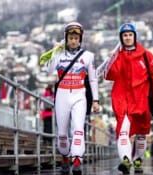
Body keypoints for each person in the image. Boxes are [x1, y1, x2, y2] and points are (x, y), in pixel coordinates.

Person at [104, 23, 153, 174]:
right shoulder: (117, 55)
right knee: (123, 131)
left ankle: (138, 160)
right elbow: (109, 75)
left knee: (141, 132)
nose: (127, 38)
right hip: (122, 100)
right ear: (121, 38)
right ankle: (126, 161)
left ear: (134, 36)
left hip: (141, 100)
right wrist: (111, 59)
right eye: (124, 35)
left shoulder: (146, 55)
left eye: (130, 35)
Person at [40, 22, 100, 175]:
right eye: (71, 38)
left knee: (78, 129)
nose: (73, 41)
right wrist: (55, 51)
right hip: (62, 95)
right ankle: (65, 158)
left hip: (79, 94)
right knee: (62, 133)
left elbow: (93, 79)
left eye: (76, 38)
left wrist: (95, 100)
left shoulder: (88, 56)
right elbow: (49, 69)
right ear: (66, 38)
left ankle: (77, 160)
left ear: (80, 39)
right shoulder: (59, 54)